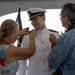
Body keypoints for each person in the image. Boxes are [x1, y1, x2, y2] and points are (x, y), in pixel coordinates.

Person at [18, 8, 59, 75]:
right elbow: (22, 61)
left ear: (43, 18)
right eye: (31, 20)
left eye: (35, 19)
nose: (33, 23)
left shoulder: (56, 35)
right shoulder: (26, 38)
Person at [48, 3, 75, 75]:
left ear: (66, 19)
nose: (60, 19)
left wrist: (54, 44)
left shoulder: (66, 38)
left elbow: (52, 64)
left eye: (61, 17)